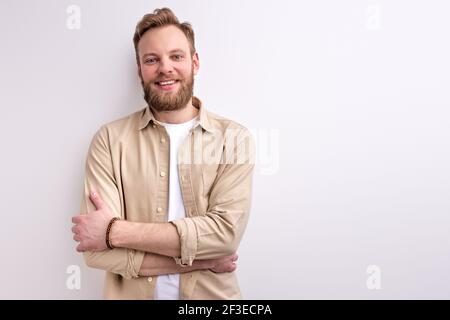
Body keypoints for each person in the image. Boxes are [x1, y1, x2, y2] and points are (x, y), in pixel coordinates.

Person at [71, 7, 255, 300]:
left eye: (176, 56)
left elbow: (224, 236)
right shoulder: (109, 140)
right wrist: (204, 260)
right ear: (139, 69)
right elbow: (96, 253)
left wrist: (113, 231)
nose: (165, 68)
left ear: (195, 62)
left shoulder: (233, 139)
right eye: (152, 59)